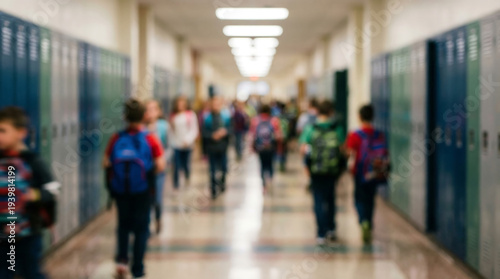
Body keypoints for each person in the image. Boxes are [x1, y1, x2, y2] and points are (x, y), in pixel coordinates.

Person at [103, 99, 165, 279]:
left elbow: (106, 162)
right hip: (142, 190)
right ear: (144, 116)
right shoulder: (150, 137)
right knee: (141, 228)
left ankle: (122, 262)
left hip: (121, 190)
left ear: (125, 117)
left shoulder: (117, 137)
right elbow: (160, 165)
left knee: (123, 225)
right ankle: (138, 267)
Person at [0, 107, 60, 279]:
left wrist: (34, 195)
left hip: (28, 234)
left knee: (31, 272)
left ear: (21, 133)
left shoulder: (32, 161)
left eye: (3, 131)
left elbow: (53, 189)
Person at [299, 100, 344, 245]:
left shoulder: (311, 128)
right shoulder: (337, 128)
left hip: (316, 170)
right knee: (330, 198)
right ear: (331, 112)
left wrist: (307, 165)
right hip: (332, 170)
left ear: (318, 112)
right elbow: (343, 150)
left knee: (318, 200)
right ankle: (331, 228)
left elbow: (303, 149)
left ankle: (321, 233)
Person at [346, 104, 389, 244]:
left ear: (359, 117)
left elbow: (349, 153)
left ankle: (363, 221)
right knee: (371, 199)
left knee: (359, 198)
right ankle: (369, 222)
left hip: (360, 171)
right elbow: (384, 153)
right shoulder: (379, 134)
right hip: (375, 172)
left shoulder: (355, 134)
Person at [144, 99, 170, 234]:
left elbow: (169, 146)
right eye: (147, 109)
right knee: (146, 198)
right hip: (144, 169)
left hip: (159, 169)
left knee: (157, 199)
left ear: (158, 111)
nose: (150, 112)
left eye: (153, 109)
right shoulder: (141, 128)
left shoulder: (164, 126)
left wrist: (163, 160)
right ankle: (146, 226)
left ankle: (158, 219)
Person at [202, 96, 231, 200]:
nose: (216, 106)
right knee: (212, 170)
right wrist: (212, 135)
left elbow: (231, 129)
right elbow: (204, 133)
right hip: (212, 147)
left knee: (223, 168)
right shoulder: (207, 118)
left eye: (217, 104)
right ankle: (213, 189)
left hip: (222, 147)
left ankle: (222, 183)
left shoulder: (226, 117)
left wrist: (224, 132)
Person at [250, 104, 282, 193]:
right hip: (271, 147)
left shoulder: (255, 120)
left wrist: (252, 147)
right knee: (271, 163)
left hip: (260, 147)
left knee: (262, 165)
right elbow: (278, 135)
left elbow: (252, 135)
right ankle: (270, 179)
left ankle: (264, 184)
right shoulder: (274, 120)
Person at [169, 96, 199, 189]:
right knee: (176, 165)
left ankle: (187, 177)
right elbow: (171, 131)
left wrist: (188, 140)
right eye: (178, 103)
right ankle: (176, 184)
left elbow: (194, 129)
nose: (180, 105)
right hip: (176, 144)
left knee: (186, 164)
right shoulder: (173, 116)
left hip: (187, 144)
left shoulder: (190, 114)